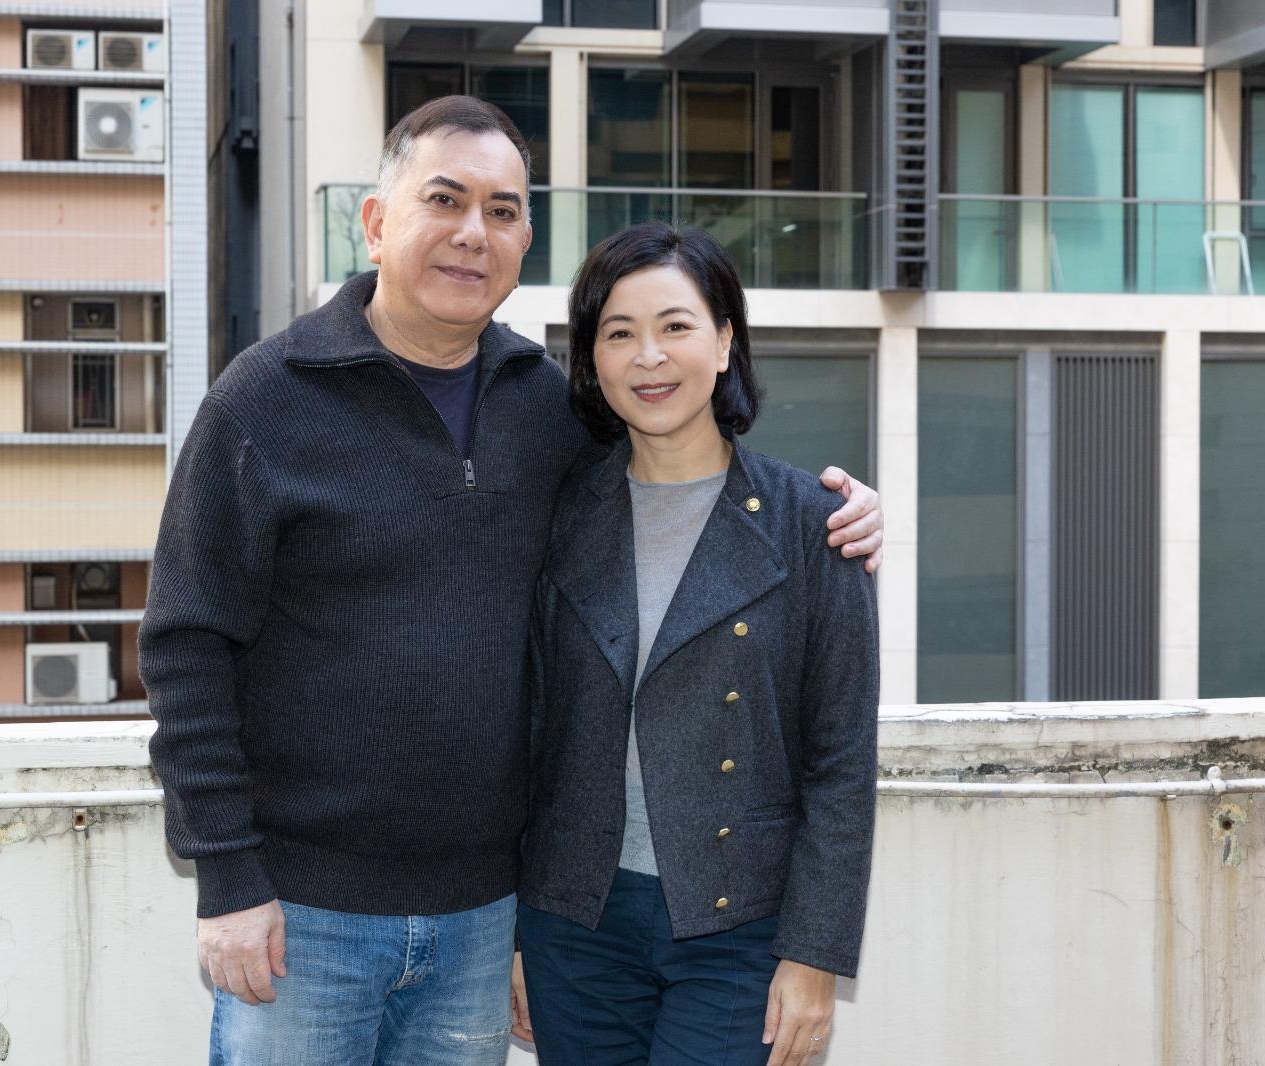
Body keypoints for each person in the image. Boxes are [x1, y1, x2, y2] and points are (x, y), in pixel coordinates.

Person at [138, 97, 884, 1066]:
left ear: (525, 239)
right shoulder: (263, 400)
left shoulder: (547, 414)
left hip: (485, 918)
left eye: (501, 210)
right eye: (444, 200)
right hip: (304, 915)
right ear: (376, 221)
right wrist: (226, 874)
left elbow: (689, 466)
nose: (472, 233)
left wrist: (847, 508)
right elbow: (185, 643)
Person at [511, 222, 879, 1066]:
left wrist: (815, 955)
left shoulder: (813, 524)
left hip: (739, 926)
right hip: (574, 924)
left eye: (675, 326)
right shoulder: (557, 517)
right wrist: (516, 932)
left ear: (723, 342)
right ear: (591, 360)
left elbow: (841, 761)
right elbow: (525, 729)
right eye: (619, 333)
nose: (649, 357)